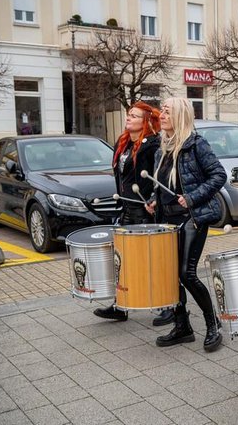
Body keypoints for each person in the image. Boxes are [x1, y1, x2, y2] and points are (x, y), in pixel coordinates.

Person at [145, 97, 227, 352]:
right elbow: (164, 185)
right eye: (163, 112)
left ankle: (213, 323)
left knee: (186, 274)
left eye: (167, 112)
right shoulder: (162, 148)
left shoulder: (196, 144)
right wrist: (153, 200)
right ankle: (183, 327)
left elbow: (219, 175)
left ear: (180, 115)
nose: (162, 116)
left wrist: (191, 197)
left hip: (192, 218)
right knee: (169, 276)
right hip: (167, 220)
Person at [94, 101, 161, 322]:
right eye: (128, 114)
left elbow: (158, 177)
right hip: (126, 208)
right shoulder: (123, 143)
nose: (128, 118)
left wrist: (153, 200)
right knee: (122, 258)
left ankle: (166, 304)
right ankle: (121, 305)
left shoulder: (152, 145)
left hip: (144, 211)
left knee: (148, 260)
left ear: (146, 121)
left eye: (134, 116)